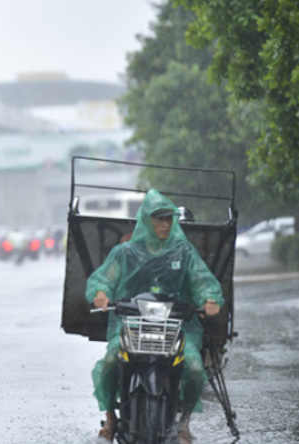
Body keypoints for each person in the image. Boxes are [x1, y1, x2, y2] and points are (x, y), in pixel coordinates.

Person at [85, 189, 224, 444]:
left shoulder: (184, 251)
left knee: (193, 368)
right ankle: (110, 417)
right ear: (146, 220)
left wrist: (210, 299)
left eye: (169, 218)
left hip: (177, 326)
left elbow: (202, 280)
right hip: (132, 325)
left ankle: (184, 423)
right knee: (108, 364)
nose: (165, 224)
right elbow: (105, 277)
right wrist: (101, 293)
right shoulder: (125, 252)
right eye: (159, 219)